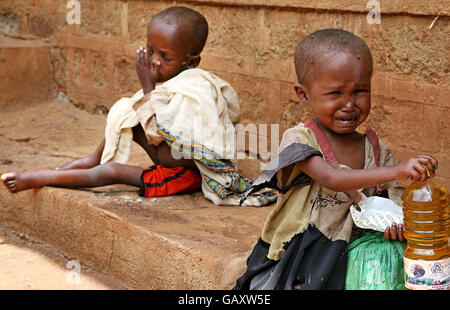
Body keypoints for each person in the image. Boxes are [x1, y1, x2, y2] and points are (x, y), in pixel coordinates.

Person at [1, 6, 277, 207]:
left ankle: (40, 177)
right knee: (127, 109)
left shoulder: (197, 89)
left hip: (183, 172)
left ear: (191, 61)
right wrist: (146, 94)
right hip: (166, 153)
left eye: (165, 57)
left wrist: (148, 89)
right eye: (151, 50)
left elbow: (165, 135)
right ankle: (92, 158)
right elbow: (147, 122)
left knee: (112, 172)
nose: (154, 61)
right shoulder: (172, 83)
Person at [233, 29, 438, 290]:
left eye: (360, 91)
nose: (349, 104)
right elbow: (332, 178)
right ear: (303, 94)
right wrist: (397, 170)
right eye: (335, 93)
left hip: (357, 248)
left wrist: (396, 223)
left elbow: (389, 202)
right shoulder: (299, 140)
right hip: (305, 251)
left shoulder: (376, 150)